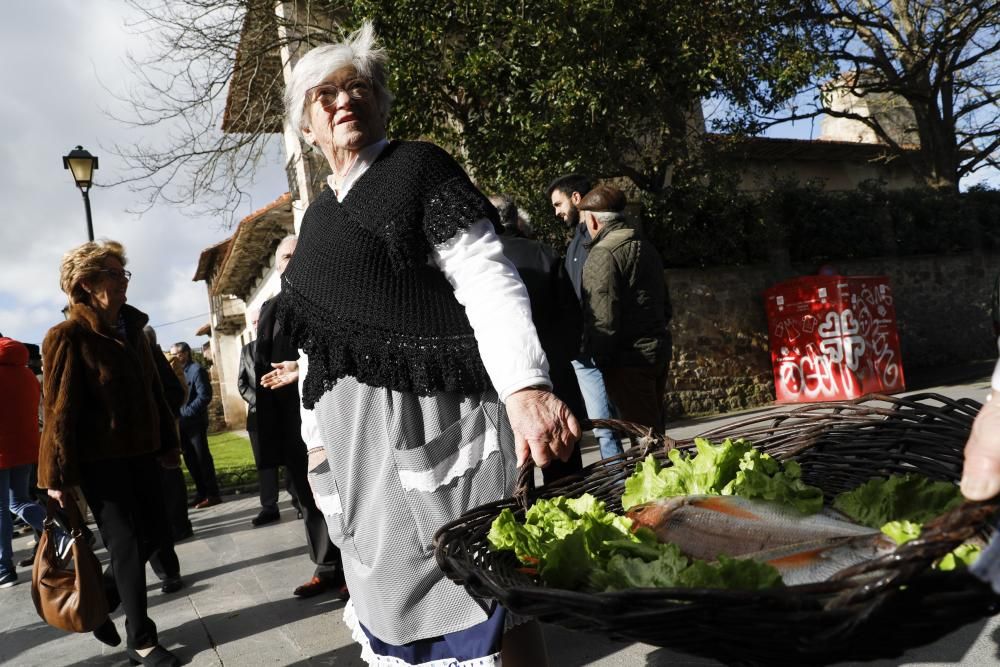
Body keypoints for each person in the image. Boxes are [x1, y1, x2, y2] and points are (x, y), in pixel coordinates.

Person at [279, 23, 579, 666]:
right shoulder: (316, 218)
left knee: (484, 585)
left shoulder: (418, 167)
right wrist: (314, 438)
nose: (343, 101)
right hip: (354, 447)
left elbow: (486, 276)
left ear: (382, 103)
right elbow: (315, 341)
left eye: (358, 87)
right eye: (323, 94)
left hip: (438, 415)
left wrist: (527, 387)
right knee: (393, 597)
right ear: (306, 126)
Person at [39, 240, 182, 666]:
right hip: (101, 463)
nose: (124, 284)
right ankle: (141, 640)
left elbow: (156, 393)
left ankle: (103, 596)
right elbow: (58, 412)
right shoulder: (66, 337)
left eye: (124, 275)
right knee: (128, 543)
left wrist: (169, 445)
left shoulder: (132, 330)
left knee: (160, 534)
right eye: (116, 276)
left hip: (145, 453)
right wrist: (57, 480)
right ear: (87, 285)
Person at [256, 235, 346, 596]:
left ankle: (353, 572)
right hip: (285, 418)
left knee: (339, 491)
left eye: (297, 253)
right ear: (278, 266)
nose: (290, 260)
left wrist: (301, 368)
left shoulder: (326, 297)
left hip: (324, 412)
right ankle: (326, 567)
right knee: (305, 496)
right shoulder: (269, 308)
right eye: (284, 256)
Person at [491, 194, 585, 484]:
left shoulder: (478, 263)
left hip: (504, 382)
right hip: (552, 371)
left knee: (518, 474)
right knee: (566, 473)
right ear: (514, 219)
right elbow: (572, 316)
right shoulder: (543, 253)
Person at [578, 185, 672, 433]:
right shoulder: (645, 246)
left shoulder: (603, 253)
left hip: (628, 361)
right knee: (654, 430)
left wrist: (602, 360)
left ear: (594, 220)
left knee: (646, 442)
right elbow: (666, 306)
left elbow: (603, 319)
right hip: (656, 351)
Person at [548, 174, 623, 459]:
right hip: (586, 349)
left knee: (610, 427)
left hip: (597, 348)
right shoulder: (574, 246)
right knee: (606, 427)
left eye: (559, 204)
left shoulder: (594, 241)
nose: (557, 212)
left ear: (576, 199)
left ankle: (623, 488)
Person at [0, 336, 50, 588]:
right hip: (24, 448)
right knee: (19, 501)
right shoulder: (25, 372)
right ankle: (62, 536)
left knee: (4, 508)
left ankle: (3, 568)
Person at [143, 325, 189, 595]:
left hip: (156, 440)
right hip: (118, 449)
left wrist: (156, 419)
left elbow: (175, 393)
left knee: (158, 506)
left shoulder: (156, 356)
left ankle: (168, 570)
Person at [238, 309, 281, 527]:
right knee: (264, 464)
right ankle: (269, 507)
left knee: (292, 461)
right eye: (253, 321)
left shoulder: (280, 344)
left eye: (259, 320)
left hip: (282, 413)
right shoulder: (246, 350)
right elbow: (242, 384)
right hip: (257, 416)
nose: (256, 324)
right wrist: (261, 401)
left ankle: (301, 503)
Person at [171, 341, 221, 508]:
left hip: (195, 423)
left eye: (176, 354)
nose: (174, 358)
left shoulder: (197, 370)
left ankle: (212, 494)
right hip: (182, 425)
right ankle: (201, 492)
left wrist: (185, 413)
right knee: (190, 460)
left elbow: (204, 396)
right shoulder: (176, 372)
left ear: (185, 353)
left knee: (202, 459)